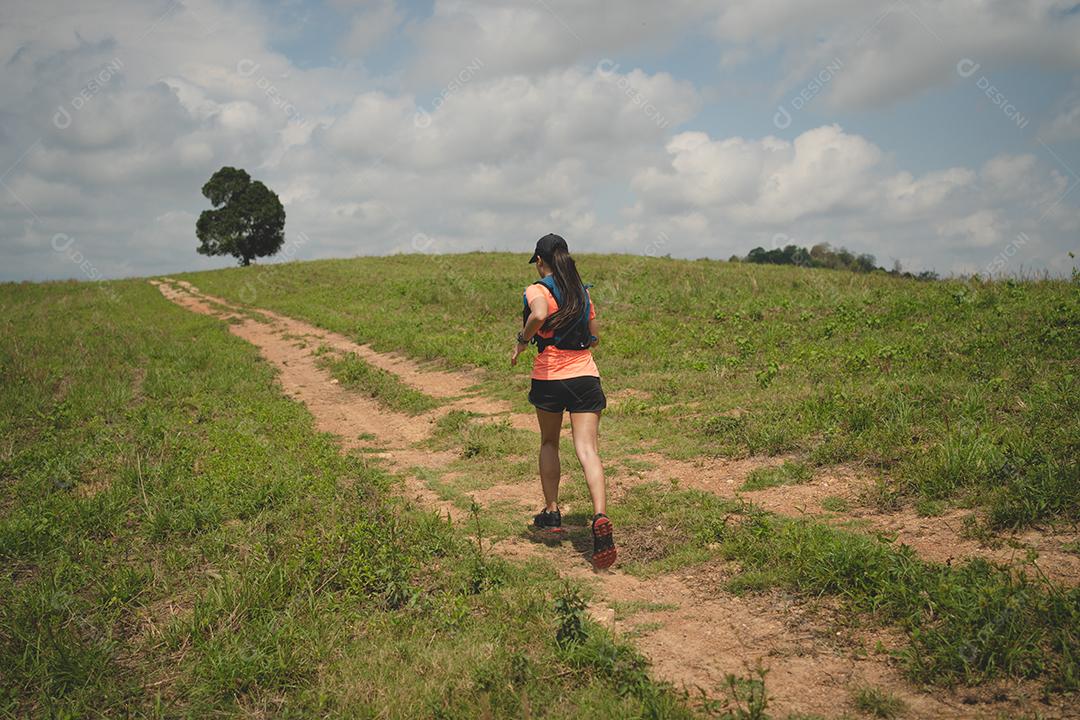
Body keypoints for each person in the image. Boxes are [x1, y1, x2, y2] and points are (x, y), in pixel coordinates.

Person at [510, 233, 616, 570]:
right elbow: (595, 336)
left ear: (540, 261)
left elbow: (538, 314)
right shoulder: (583, 291)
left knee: (549, 442)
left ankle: (552, 512)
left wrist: (522, 341)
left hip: (550, 378)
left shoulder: (537, 289)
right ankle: (600, 516)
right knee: (588, 450)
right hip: (585, 376)